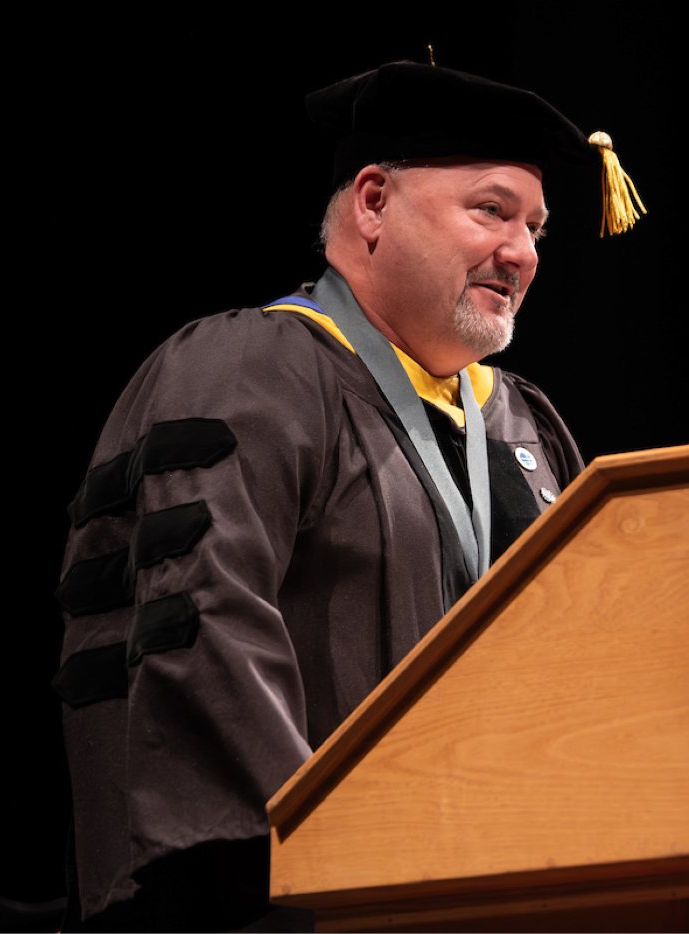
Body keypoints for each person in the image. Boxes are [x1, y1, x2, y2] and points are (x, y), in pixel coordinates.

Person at [52, 60, 643, 931]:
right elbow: (204, 619)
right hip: (288, 900)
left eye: (537, 229)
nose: (521, 253)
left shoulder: (523, 424)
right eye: (491, 210)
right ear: (372, 202)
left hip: (493, 891)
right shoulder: (253, 368)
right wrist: (332, 858)